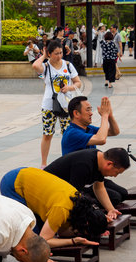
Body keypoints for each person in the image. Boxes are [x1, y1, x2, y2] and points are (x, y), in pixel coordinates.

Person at [0, 167, 108, 247]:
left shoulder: (81, 204)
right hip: (13, 184)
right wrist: (74, 241)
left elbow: (61, 230)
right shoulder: (61, 209)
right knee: (33, 237)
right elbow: (44, 240)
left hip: (28, 175)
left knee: (42, 228)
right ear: (87, 223)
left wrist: (99, 222)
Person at [32, 40, 81, 169]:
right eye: (56, 53)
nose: (59, 56)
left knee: (67, 134)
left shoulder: (68, 65)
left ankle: (68, 160)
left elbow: (78, 82)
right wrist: (43, 56)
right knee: (47, 134)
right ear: (49, 53)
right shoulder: (46, 66)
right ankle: (43, 163)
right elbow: (35, 66)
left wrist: (69, 88)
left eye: (61, 53)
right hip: (49, 105)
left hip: (66, 105)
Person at [45, 147, 129, 212]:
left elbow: (99, 188)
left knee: (118, 195)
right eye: (116, 172)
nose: (115, 176)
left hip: (68, 188)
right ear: (109, 164)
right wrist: (93, 213)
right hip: (49, 189)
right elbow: (73, 196)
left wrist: (111, 210)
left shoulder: (100, 159)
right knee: (91, 203)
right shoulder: (84, 165)